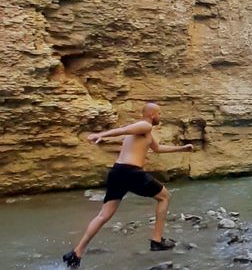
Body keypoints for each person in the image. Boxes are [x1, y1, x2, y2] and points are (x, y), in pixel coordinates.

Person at [62, 103, 194, 268]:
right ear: (152, 115)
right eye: (160, 113)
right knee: (165, 197)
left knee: (104, 215)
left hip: (118, 172)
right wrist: (100, 135)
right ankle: (157, 240)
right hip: (131, 172)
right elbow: (124, 129)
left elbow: (157, 148)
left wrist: (182, 148)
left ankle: (76, 253)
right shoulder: (145, 125)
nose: (161, 116)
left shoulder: (145, 133)